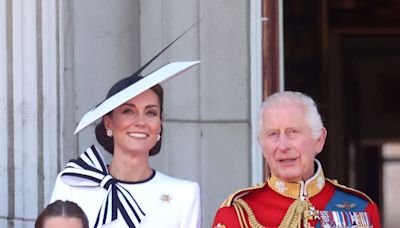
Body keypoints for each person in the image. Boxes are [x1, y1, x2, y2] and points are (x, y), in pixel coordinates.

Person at [50, 61, 201, 227]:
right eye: (128, 111)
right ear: (109, 124)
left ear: (159, 125)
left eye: (151, 112)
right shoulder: (73, 183)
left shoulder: (184, 195)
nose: (141, 122)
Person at [212, 91, 381, 228]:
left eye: (293, 132)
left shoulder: (362, 210)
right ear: (262, 145)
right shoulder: (238, 214)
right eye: (273, 134)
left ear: (319, 140)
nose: (283, 146)